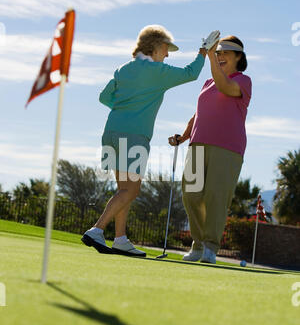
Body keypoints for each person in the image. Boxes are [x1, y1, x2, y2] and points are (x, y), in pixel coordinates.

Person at [82, 25, 220, 257]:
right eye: (166, 48)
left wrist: (124, 109)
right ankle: (97, 229)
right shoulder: (157, 71)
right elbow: (191, 73)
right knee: (132, 191)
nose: (167, 54)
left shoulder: (123, 69)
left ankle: (120, 239)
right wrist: (203, 51)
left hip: (111, 132)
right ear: (155, 46)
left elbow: (104, 97)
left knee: (123, 190)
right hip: (135, 135)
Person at [169, 35, 252, 263]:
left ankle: (209, 247)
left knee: (216, 196)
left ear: (239, 57)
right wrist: (183, 136)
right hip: (197, 145)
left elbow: (226, 87)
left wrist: (210, 58)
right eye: (218, 52)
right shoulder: (207, 83)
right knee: (191, 194)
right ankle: (197, 244)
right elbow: (198, 114)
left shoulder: (243, 81)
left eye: (225, 52)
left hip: (228, 148)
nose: (220, 55)